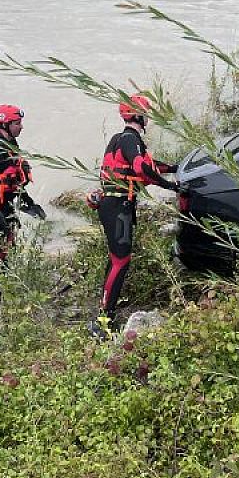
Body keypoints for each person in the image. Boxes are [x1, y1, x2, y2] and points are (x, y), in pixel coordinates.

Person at [91, 95, 181, 334]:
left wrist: (173, 168)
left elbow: (145, 165)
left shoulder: (119, 138)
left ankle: (105, 311)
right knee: (120, 261)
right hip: (118, 207)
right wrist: (168, 185)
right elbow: (143, 168)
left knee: (115, 260)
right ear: (139, 115)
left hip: (114, 205)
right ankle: (103, 321)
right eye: (146, 112)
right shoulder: (133, 140)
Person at [0, 105, 46, 295]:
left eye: (20, 123)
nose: (21, 127)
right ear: (4, 124)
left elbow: (14, 180)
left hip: (4, 200)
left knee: (10, 241)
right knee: (6, 241)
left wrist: (29, 203)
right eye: (17, 123)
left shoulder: (11, 144)